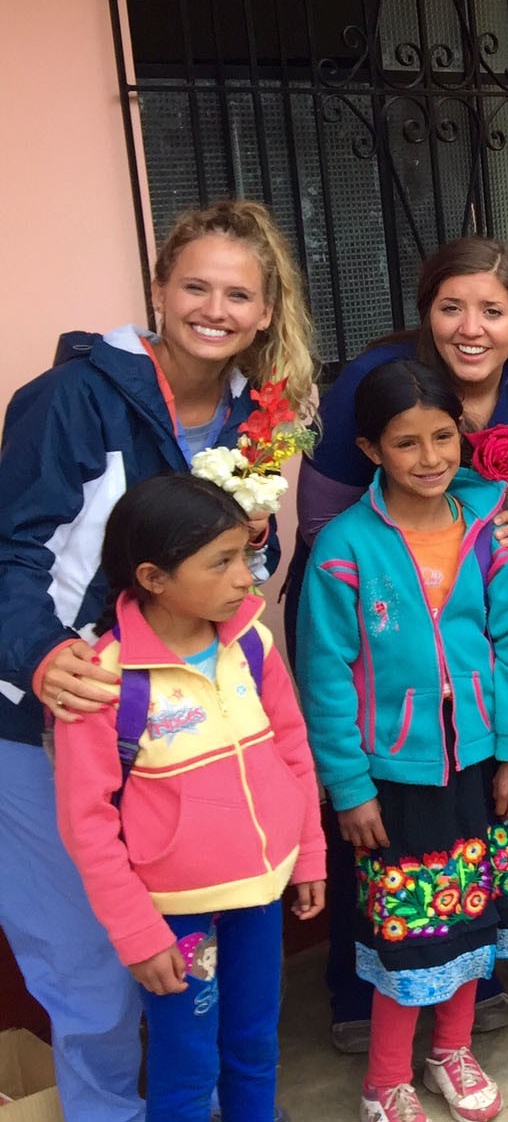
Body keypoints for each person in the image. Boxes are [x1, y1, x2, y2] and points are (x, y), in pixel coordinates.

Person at [0, 197, 316, 1122]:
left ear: (265, 311)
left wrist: (255, 551)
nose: (213, 309)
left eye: (238, 294)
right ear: (159, 291)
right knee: (88, 968)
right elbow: (11, 556)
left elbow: (247, 563)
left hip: (193, 720)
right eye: (195, 287)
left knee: (196, 954)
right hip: (55, 712)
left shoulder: (258, 417)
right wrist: (42, 655)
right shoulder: (69, 401)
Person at [289, 237, 508, 1050]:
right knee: (377, 839)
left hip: (478, 629)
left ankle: (471, 985)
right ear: (425, 315)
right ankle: (358, 988)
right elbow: (320, 526)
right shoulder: (372, 391)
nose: (471, 327)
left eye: (493, 309)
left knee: (478, 831)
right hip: (376, 639)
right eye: (451, 307)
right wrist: (388, 578)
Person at [297, 359, 508, 1122]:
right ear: (372, 450)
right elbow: (327, 677)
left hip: (478, 763)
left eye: (444, 437)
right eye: (408, 443)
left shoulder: (489, 530)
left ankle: (452, 1051)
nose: (431, 458)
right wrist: (350, 786)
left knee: (473, 916)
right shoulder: (343, 549)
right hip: (395, 776)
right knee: (409, 933)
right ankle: (385, 1078)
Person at [55, 475, 324, 1122]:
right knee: (187, 1064)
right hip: (176, 921)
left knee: (255, 1046)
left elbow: (292, 750)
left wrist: (309, 853)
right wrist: (137, 933)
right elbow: (86, 824)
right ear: (152, 577)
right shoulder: (104, 681)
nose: (245, 578)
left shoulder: (251, 644)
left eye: (245, 556)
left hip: (259, 898)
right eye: (223, 562)